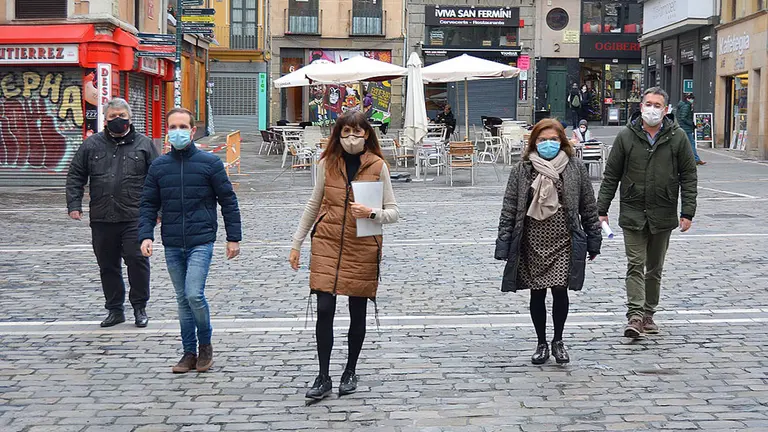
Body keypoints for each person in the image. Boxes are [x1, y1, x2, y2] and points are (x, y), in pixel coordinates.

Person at [289, 111, 400, 400]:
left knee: (357, 311)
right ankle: (323, 374)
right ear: (338, 134)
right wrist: (296, 242)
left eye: (358, 132)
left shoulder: (378, 166)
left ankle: (349, 370)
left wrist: (371, 212)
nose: (352, 138)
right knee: (324, 308)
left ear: (367, 134)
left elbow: (394, 212)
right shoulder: (328, 163)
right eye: (346, 132)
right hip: (327, 242)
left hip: (362, 245)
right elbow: (313, 204)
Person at [138, 108, 242, 373]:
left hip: (201, 240)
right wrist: (145, 234)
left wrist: (233, 238)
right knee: (182, 299)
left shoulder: (209, 163)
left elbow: (228, 200)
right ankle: (188, 352)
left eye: (183, 127)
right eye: (173, 127)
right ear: (168, 131)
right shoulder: (160, 166)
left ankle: (205, 344)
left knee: (193, 294)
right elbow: (148, 203)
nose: (178, 132)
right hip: (172, 241)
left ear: (193, 131)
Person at [495, 119, 601, 365]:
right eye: (543, 140)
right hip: (531, 238)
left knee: (561, 290)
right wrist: (503, 242)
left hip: (564, 237)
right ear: (534, 142)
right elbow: (509, 206)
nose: (548, 144)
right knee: (537, 293)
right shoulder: (523, 169)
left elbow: (588, 205)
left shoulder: (574, 167)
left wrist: (593, 239)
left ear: (562, 141)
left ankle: (559, 340)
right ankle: (541, 342)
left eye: (553, 139)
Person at [597, 87, 698, 339]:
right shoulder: (626, 137)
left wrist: (687, 211)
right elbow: (611, 175)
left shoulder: (678, 137)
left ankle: (649, 313)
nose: (652, 109)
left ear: (666, 110)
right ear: (641, 106)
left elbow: (688, 176)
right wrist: (602, 209)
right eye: (648, 104)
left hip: (663, 211)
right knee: (635, 264)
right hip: (633, 212)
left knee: (654, 268)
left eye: (657, 105)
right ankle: (635, 315)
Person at [66, 98, 158, 328]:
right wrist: (74, 204)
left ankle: (139, 307)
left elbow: (158, 180)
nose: (117, 120)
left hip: (134, 216)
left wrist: (159, 211)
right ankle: (115, 310)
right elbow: (76, 174)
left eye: (122, 116)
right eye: (112, 117)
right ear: (105, 120)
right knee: (107, 265)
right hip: (102, 217)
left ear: (129, 118)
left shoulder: (144, 145)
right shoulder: (91, 145)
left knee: (137, 260)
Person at [677, 93, 706, 165]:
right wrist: (691, 124)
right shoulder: (686, 106)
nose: (692, 100)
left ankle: (687, 159)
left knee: (684, 144)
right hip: (686, 128)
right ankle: (696, 159)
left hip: (683, 127)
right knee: (691, 143)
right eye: (692, 99)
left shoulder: (683, 105)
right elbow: (683, 117)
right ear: (688, 99)